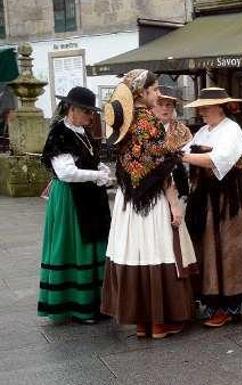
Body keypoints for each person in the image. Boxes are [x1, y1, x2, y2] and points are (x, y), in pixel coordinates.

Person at [102, 70, 197, 338]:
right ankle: (158, 322)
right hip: (152, 201)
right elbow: (161, 168)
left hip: (128, 201)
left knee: (134, 251)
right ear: (141, 93)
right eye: (154, 89)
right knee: (157, 250)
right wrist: (175, 204)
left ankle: (143, 323)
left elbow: (130, 165)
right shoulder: (149, 123)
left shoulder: (123, 123)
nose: (158, 94)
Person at [181, 87, 242, 327]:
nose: (202, 112)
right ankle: (214, 300)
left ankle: (229, 304)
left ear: (219, 107)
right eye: (200, 107)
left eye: (205, 107)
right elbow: (188, 151)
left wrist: (181, 157)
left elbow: (217, 160)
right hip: (206, 197)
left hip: (230, 199)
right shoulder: (204, 131)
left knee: (230, 249)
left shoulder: (231, 129)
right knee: (207, 248)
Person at [38, 86, 111, 324]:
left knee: (93, 246)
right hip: (70, 199)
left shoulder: (82, 130)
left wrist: (100, 168)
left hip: (90, 198)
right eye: (86, 111)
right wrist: (95, 175)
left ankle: (96, 303)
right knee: (75, 247)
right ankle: (78, 307)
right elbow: (66, 172)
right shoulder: (59, 132)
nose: (90, 117)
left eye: (91, 112)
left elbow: (87, 160)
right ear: (71, 108)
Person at [152, 85, 192, 197]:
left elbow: (190, 156)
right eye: (160, 104)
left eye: (168, 105)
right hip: (152, 185)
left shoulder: (183, 130)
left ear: (173, 107)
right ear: (152, 106)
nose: (165, 108)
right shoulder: (146, 128)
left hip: (177, 185)